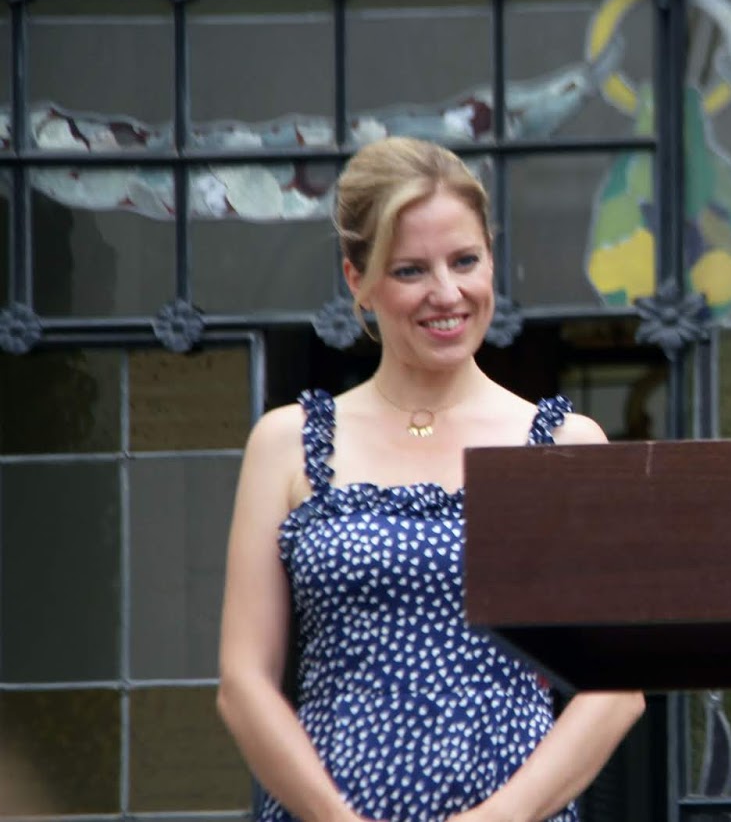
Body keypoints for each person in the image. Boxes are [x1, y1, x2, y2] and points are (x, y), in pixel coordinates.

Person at [217, 137, 644, 822]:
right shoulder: (286, 443)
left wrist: (499, 818)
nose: (446, 293)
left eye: (465, 260)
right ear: (358, 280)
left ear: (491, 260)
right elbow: (244, 684)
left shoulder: (565, 445)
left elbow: (617, 688)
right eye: (410, 270)